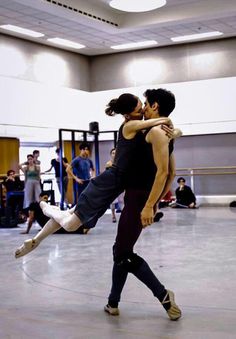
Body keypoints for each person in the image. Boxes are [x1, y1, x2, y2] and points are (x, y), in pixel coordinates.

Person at [15, 92, 173, 258]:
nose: (142, 111)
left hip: (114, 185)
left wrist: (174, 132)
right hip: (108, 183)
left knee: (71, 217)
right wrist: (167, 121)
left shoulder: (138, 127)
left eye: (142, 106)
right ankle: (49, 209)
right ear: (128, 114)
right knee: (70, 225)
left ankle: (36, 240)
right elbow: (157, 122)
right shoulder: (129, 125)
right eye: (139, 108)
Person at [104, 88, 181, 321]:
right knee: (122, 250)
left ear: (155, 106)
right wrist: (154, 200)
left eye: (146, 103)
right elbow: (170, 172)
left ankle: (163, 295)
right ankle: (112, 302)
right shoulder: (161, 130)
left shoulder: (157, 132)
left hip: (138, 198)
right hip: (138, 197)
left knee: (122, 253)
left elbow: (165, 173)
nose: (143, 107)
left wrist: (149, 205)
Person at [20, 191, 89, 235]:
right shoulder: (33, 205)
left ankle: (82, 227)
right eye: (44, 198)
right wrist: (27, 231)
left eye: (47, 198)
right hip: (46, 222)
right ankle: (82, 229)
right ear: (40, 197)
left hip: (49, 220)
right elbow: (31, 219)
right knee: (61, 228)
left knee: (63, 225)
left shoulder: (47, 205)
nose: (46, 199)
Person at [105, 148, 124, 223]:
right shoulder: (108, 164)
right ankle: (113, 215)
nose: (114, 154)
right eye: (113, 153)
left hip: (120, 184)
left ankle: (124, 217)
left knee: (121, 201)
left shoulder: (121, 163)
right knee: (112, 202)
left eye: (115, 153)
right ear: (111, 155)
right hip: (112, 184)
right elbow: (106, 175)